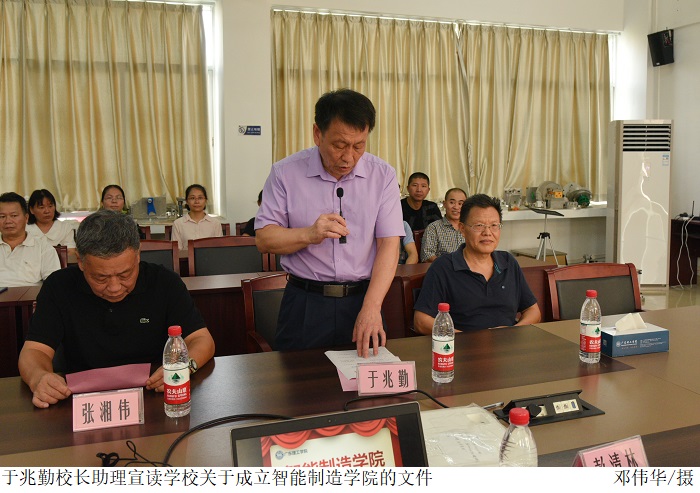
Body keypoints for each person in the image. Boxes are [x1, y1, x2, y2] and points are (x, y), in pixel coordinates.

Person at [255, 89, 403, 357]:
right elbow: (264, 239)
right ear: (317, 133)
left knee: (365, 381)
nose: (349, 157)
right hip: (305, 303)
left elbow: (389, 244)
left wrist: (372, 307)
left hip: (363, 300)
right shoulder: (285, 173)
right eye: (339, 145)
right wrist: (309, 234)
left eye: (359, 146)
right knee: (298, 380)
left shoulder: (383, 176)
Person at [18, 210, 215, 409]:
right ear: (80, 261)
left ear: (137, 255)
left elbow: (201, 339)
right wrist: (39, 377)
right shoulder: (58, 287)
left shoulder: (164, 283)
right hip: (82, 401)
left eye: (124, 275)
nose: (114, 287)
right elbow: (34, 350)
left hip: (155, 394)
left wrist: (184, 368)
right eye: (101, 278)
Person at [414, 194, 540, 334]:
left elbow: (533, 310)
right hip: (462, 345)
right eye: (479, 226)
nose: (487, 232)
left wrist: (512, 332)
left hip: (508, 344)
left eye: (494, 225)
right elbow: (421, 321)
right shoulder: (443, 267)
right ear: (462, 229)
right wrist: (469, 339)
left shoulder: (508, 262)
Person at [0, 192, 60, 287]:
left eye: (14, 215)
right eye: (2, 216)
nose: (8, 221)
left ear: (26, 218)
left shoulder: (43, 248)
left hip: (31, 296)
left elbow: (54, 284)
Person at [421, 188, 468, 262]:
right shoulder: (434, 227)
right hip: (443, 268)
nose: (456, 207)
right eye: (452, 202)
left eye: (460, 204)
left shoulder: (470, 227)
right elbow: (427, 255)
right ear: (444, 204)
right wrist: (447, 266)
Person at [171, 184, 222, 251]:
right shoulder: (178, 224)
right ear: (187, 201)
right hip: (186, 258)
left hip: (210, 257)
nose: (197, 202)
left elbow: (219, 250)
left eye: (200, 198)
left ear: (205, 200)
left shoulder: (215, 223)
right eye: (192, 198)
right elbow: (176, 252)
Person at [26, 189, 77, 255]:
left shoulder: (65, 228)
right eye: (41, 207)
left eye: (50, 206)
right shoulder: (25, 229)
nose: (47, 211)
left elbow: (71, 251)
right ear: (31, 210)